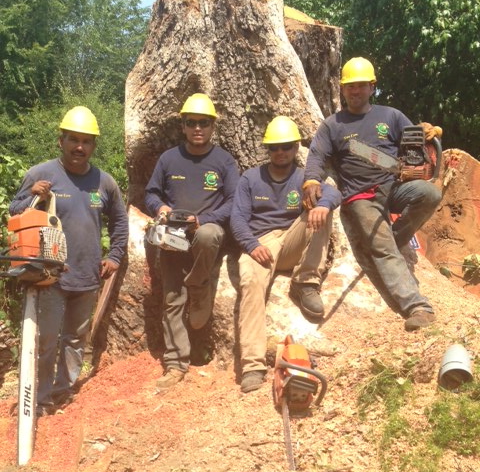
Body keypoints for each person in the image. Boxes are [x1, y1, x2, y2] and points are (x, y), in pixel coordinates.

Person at [303, 57, 442, 331]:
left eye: (361, 85)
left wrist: (426, 133)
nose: (355, 91)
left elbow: (414, 143)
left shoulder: (390, 116)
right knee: (383, 248)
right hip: (361, 196)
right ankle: (417, 307)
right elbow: (316, 155)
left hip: (395, 186)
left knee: (430, 194)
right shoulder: (333, 125)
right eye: (350, 86)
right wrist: (310, 181)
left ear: (372, 86)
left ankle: (397, 237)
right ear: (342, 89)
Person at [9, 106, 129, 414]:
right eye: (74, 139)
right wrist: (32, 195)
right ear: (61, 141)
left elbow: (120, 221)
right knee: (46, 339)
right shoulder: (42, 174)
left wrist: (115, 256)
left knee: (76, 339)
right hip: (48, 275)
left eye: (86, 141)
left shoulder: (104, 183)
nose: (79, 147)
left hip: (87, 274)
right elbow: (14, 211)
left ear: (94, 146)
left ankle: (63, 391)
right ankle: (39, 397)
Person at [230, 116, 340, 393]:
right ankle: (252, 366)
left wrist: (322, 204)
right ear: (267, 149)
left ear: (296, 147)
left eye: (286, 147)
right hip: (261, 243)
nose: (280, 152)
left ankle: (305, 282)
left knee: (321, 211)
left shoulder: (304, 178)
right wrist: (251, 245)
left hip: (292, 238)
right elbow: (237, 219)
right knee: (251, 283)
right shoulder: (250, 178)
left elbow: (332, 193)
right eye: (274, 147)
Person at [144, 93, 240, 392]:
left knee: (208, 233)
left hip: (205, 236)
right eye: (192, 122)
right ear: (183, 126)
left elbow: (234, 201)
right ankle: (175, 364)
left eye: (204, 122)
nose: (198, 128)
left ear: (213, 126)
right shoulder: (169, 159)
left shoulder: (224, 161)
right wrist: (161, 208)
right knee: (173, 298)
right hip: (174, 237)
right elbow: (151, 193)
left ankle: (198, 285)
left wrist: (203, 219)